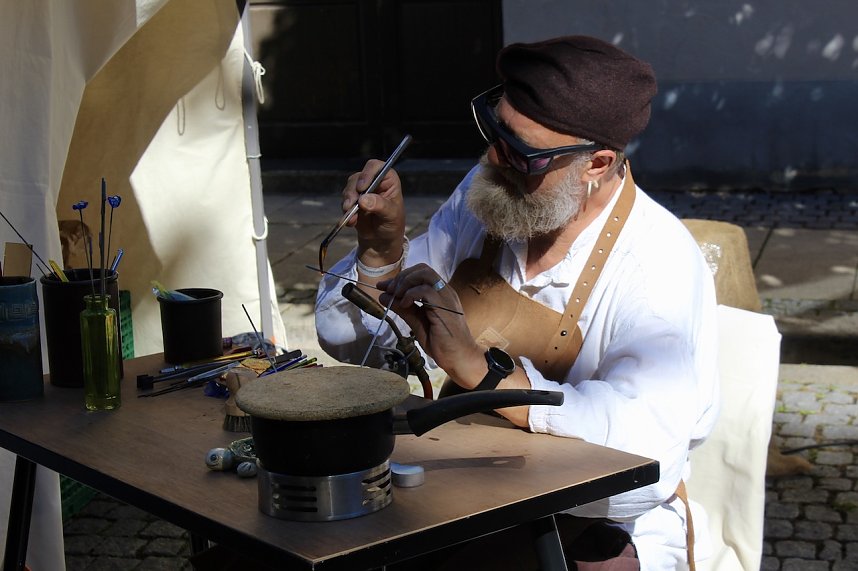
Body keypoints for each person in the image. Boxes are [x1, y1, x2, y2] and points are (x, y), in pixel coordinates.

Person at [315, 35, 719, 571]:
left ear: (596, 163)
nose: (493, 157)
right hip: (462, 482)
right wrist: (380, 252)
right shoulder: (493, 194)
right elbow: (352, 343)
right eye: (495, 130)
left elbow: (642, 465)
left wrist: (486, 377)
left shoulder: (658, 264)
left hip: (592, 519)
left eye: (522, 152)